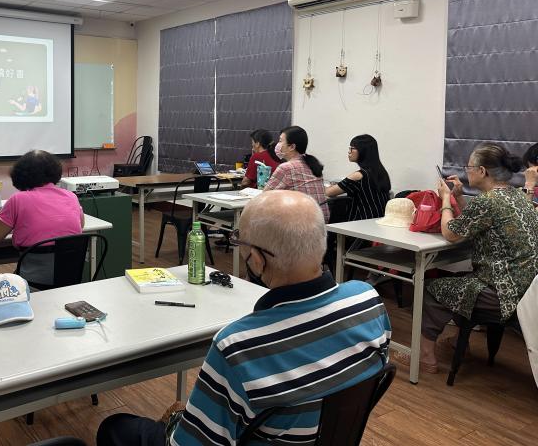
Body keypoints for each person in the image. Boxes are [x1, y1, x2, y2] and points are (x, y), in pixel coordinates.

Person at [96, 191, 391, 446]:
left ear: (258, 260)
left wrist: (176, 423)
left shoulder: (237, 346)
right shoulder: (367, 300)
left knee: (115, 427)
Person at [416, 142, 538, 373]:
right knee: (461, 282)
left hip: (502, 293)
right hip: (527, 290)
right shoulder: (517, 196)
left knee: (430, 288)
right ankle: (459, 343)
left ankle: (425, 357)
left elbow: (450, 232)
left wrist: (445, 199)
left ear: (482, 171)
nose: (466, 171)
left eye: (469, 167)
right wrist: (459, 197)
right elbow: (476, 222)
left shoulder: (488, 201)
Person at [0, 150, 83, 285]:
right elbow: (80, 225)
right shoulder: (71, 196)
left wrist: (3, 221)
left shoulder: (18, 199)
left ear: (20, 174)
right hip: (69, 280)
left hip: (33, 283)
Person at [264, 125, 330, 221]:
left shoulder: (286, 168)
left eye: (280, 141)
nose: (277, 144)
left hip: (301, 223)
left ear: (292, 147)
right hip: (321, 221)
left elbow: (264, 197)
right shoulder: (312, 164)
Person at [325, 134, 391, 220]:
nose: (349, 152)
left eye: (352, 148)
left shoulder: (359, 176)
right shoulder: (381, 172)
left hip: (360, 222)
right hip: (380, 220)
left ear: (363, 151)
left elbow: (328, 192)